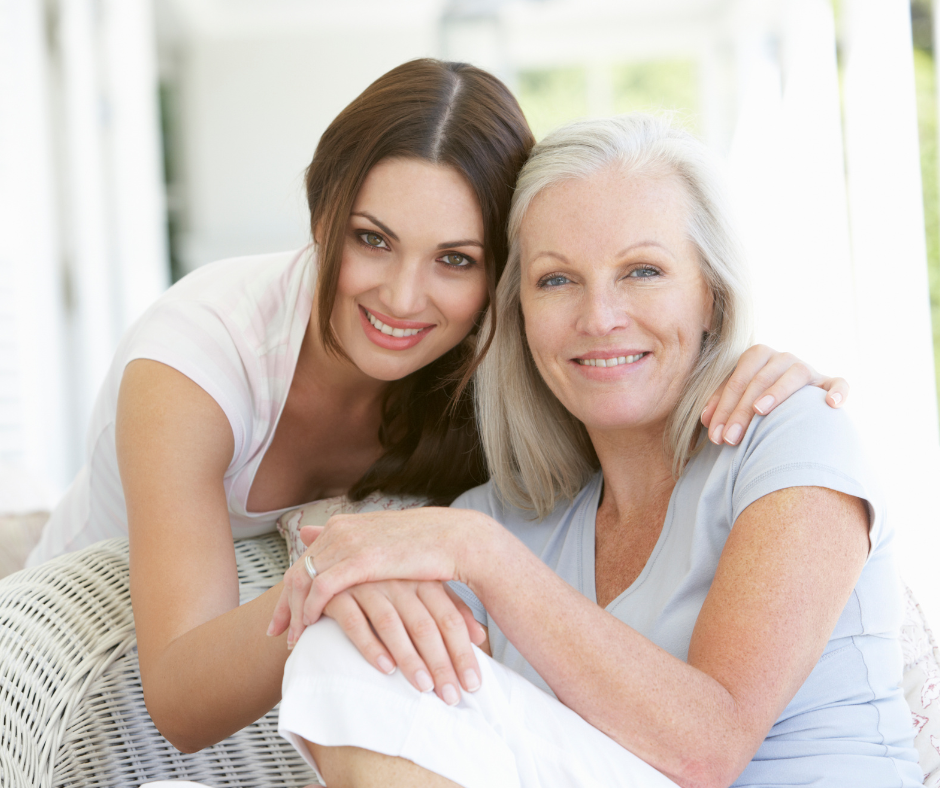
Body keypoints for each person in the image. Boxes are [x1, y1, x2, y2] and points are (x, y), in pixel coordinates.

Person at [30, 58, 845, 754]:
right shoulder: (197, 357)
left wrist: (754, 368)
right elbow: (176, 698)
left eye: (455, 258)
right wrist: (334, 573)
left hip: (307, 690)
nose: (403, 296)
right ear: (322, 216)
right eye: (370, 239)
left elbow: (629, 369)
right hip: (81, 671)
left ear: (502, 277)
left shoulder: (493, 367)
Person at [273, 114, 919, 788]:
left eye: (643, 271)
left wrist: (480, 552)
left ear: (713, 299)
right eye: (556, 280)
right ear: (518, 315)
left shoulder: (792, 433)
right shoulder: (503, 518)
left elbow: (709, 748)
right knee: (339, 652)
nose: (600, 317)